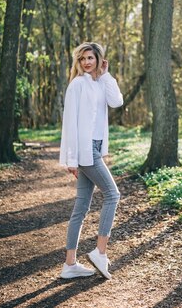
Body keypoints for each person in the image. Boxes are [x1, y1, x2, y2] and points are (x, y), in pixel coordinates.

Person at [58, 42, 124, 280]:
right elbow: (70, 124)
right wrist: (72, 159)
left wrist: (106, 76)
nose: (87, 62)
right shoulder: (77, 85)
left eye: (91, 58)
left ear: (98, 60)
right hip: (86, 151)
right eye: (83, 58)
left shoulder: (99, 83)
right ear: (79, 61)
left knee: (81, 207)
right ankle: (100, 252)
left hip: (95, 147)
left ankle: (70, 264)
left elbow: (116, 101)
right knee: (113, 194)